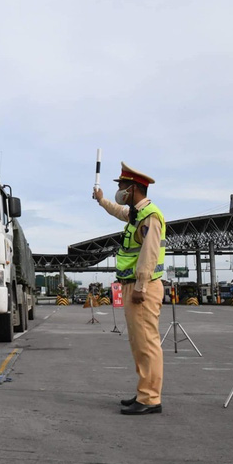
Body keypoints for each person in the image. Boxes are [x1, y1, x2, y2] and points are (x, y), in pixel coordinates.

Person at [93, 162, 166, 415]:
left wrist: (141, 287)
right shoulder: (136, 214)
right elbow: (118, 211)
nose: (120, 190)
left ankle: (150, 399)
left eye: (122, 185)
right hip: (133, 285)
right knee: (139, 343)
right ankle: (144, 392)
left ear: (133, 188)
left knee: (147, 343)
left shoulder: (150, 216)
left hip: (142, 288)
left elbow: (149, 254)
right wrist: (102, 201)